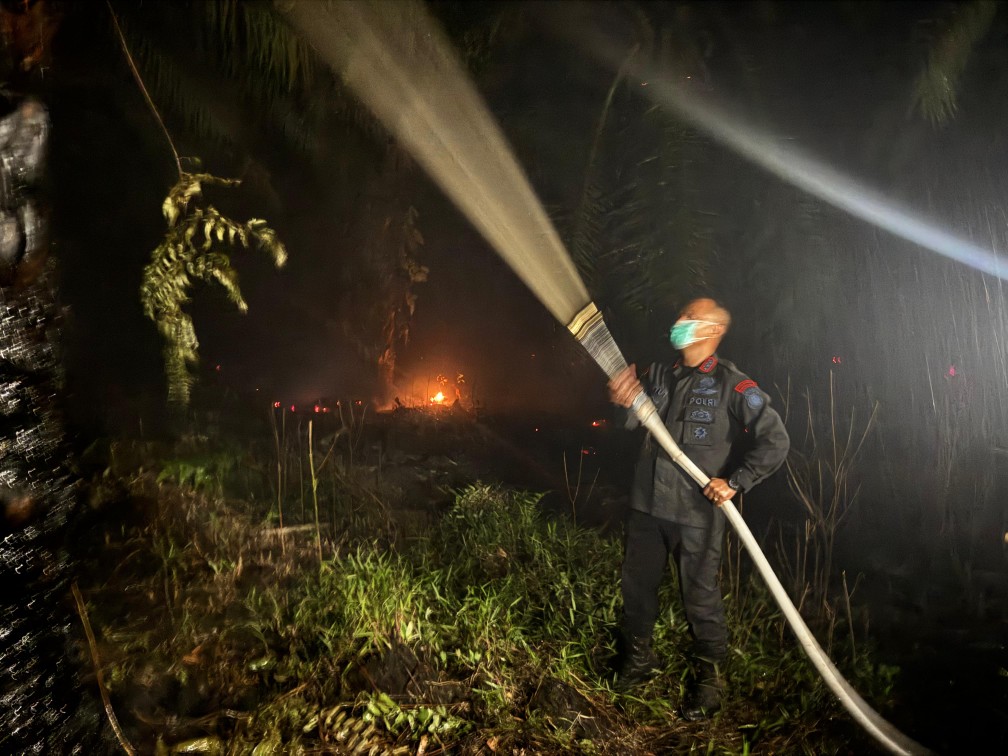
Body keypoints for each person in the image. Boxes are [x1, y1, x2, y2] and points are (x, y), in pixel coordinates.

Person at [607, 297, 789, 720]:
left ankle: (708, 679)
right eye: (681, 314)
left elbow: (775, 441)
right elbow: (628, 426)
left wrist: (737, 482)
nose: (679, 321)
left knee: (700, 598)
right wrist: (619, 404)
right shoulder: (657, 374)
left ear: (713, 331)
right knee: (636, 589)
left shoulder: (733, 384)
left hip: (697, 513)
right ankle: (637, 661)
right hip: (647, 506)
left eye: (690, 317)